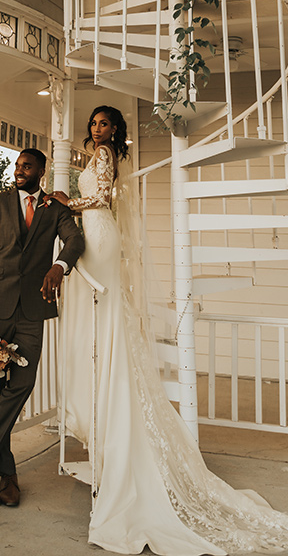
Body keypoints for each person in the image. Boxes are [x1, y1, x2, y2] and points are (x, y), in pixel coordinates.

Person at [45, 106, 288, 555]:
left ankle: (114, 410)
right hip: (98, 235)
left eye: (104, 123)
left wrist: (66, 203)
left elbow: (100, 198)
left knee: (105, 311)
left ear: (114, 129)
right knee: (103, 314)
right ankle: (107, 409)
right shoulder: (99, 152)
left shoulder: (103, 154)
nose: (97, 128)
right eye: (94, 122)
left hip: (99, 234)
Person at [0, 148, 84, 508]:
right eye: (17, 165)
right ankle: (7, 475)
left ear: (42, 170)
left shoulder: (54, 209)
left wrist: (59, 266)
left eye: (27, 166)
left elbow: (75, 240)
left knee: (22, 384)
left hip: (31, 310)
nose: (19, 170)